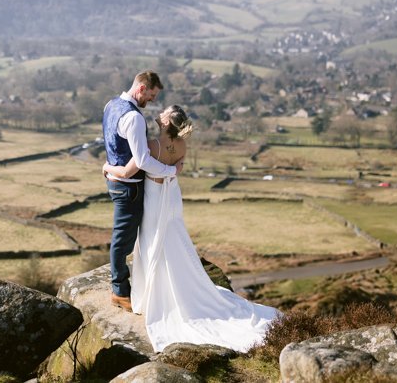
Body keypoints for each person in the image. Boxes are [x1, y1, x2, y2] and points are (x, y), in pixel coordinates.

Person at [104, 105, 279, 353]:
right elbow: (177, 169)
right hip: (173, 194)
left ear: (166, 122)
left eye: (163, 112)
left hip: (154, 195)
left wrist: (108, 168)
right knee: (173, 235)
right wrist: (171, 171)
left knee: (153, 239)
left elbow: (131, 169)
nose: (159, 112)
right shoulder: (183, 146)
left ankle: (153, 294)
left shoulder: (151, 145)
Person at [102, 71, 180, 311]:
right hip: (129, 188)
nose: (153, 100)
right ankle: (119, 291)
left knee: (125, 237)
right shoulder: (134, 118)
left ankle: (127, 285)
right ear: (142, 88)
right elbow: (143, 160)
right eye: (153, 94)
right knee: (123, 240)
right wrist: (170, 171)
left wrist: (109, 168)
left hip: (117, 180)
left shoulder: (111, 105)